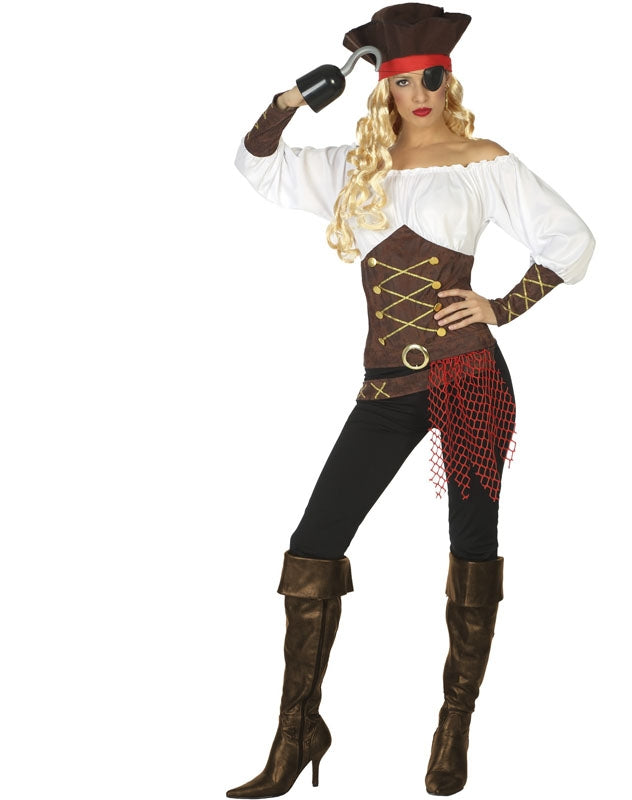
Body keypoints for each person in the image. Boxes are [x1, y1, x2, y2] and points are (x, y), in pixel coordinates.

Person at [226, 4, 595, 797]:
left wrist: (502, 305)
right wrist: (290, 99)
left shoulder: (481, 161)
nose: (419, 94)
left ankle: (453, 726)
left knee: (471, 546)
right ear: (384, 89)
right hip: (387, 388)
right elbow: (256, 164)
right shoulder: (356, 168)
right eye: (403, 82)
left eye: (431, 79)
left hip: (469, 377)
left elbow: (572, 240)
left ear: (447, 80)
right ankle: (297, 731)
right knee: (313, 545)